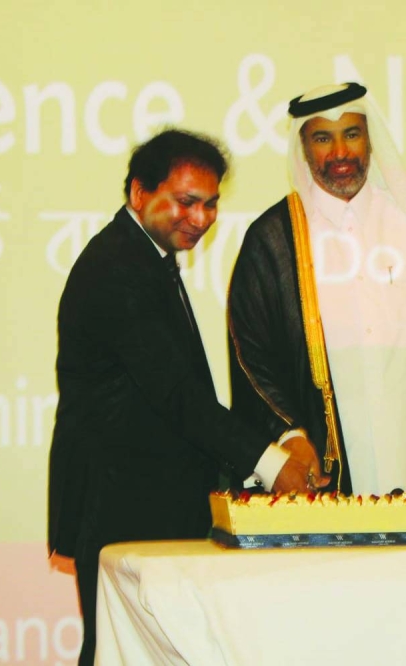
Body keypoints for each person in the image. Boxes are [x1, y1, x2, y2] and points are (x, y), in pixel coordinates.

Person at [47, 129, 327, 665]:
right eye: (186, 202)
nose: (199, 219)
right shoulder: (118, 271)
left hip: (147, 506)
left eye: (211, 204)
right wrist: (272, 464)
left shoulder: (144, 257)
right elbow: (177, 397)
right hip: (122, 510)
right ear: (137, 193)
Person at [227, 82, 406, 497]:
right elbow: (252, 356)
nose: (340, 154)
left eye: (352, 134)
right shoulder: (274, 238)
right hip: (326, 472)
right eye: (322, 138)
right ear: (303, 146)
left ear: (370, 139)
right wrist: (289, 438)